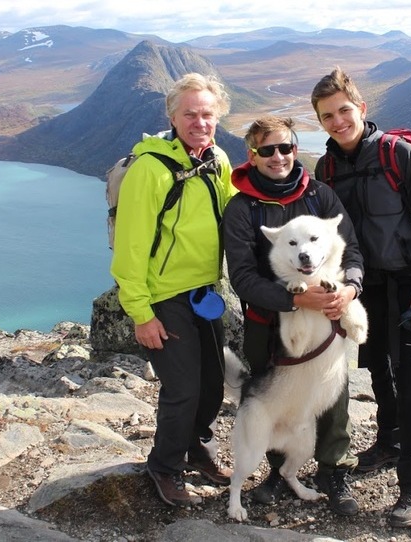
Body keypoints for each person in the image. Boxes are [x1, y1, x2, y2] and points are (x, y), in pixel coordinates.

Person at [310, 67, 411, 527]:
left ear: (362, 109)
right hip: (362, 289)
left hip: (408, 285)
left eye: (344, 111)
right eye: (327, 116)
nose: (337, 121)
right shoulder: (325, 169)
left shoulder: (398, 154)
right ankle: (389, 442)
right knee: (378, 371)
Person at [222, 115, 365, 516]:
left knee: (331, 394)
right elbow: (243, 277)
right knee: (275, 397)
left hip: (329, 319)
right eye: (267, 150)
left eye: (285, 147)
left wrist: (351, 287)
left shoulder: (319, 196)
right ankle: (276, 470)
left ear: (294, 148)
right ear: (252, 155)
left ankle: (334, 470)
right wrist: (296, 301)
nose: (278, 157)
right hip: (269, 324)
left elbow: (351, 251)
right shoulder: (242, 209)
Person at [110, 72, 237, 507]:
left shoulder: (216, 159)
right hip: (164, 297)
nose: (200, 122)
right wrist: (141, 313)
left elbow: (234, 208)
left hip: (204, 291)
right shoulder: (150, 168)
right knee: (183, 388)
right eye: (190, 114)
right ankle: (164, 466)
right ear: (172, 116)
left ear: (217, 116)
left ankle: (196, 448)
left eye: (207, 114)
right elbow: (130, 246)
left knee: (214, 385)